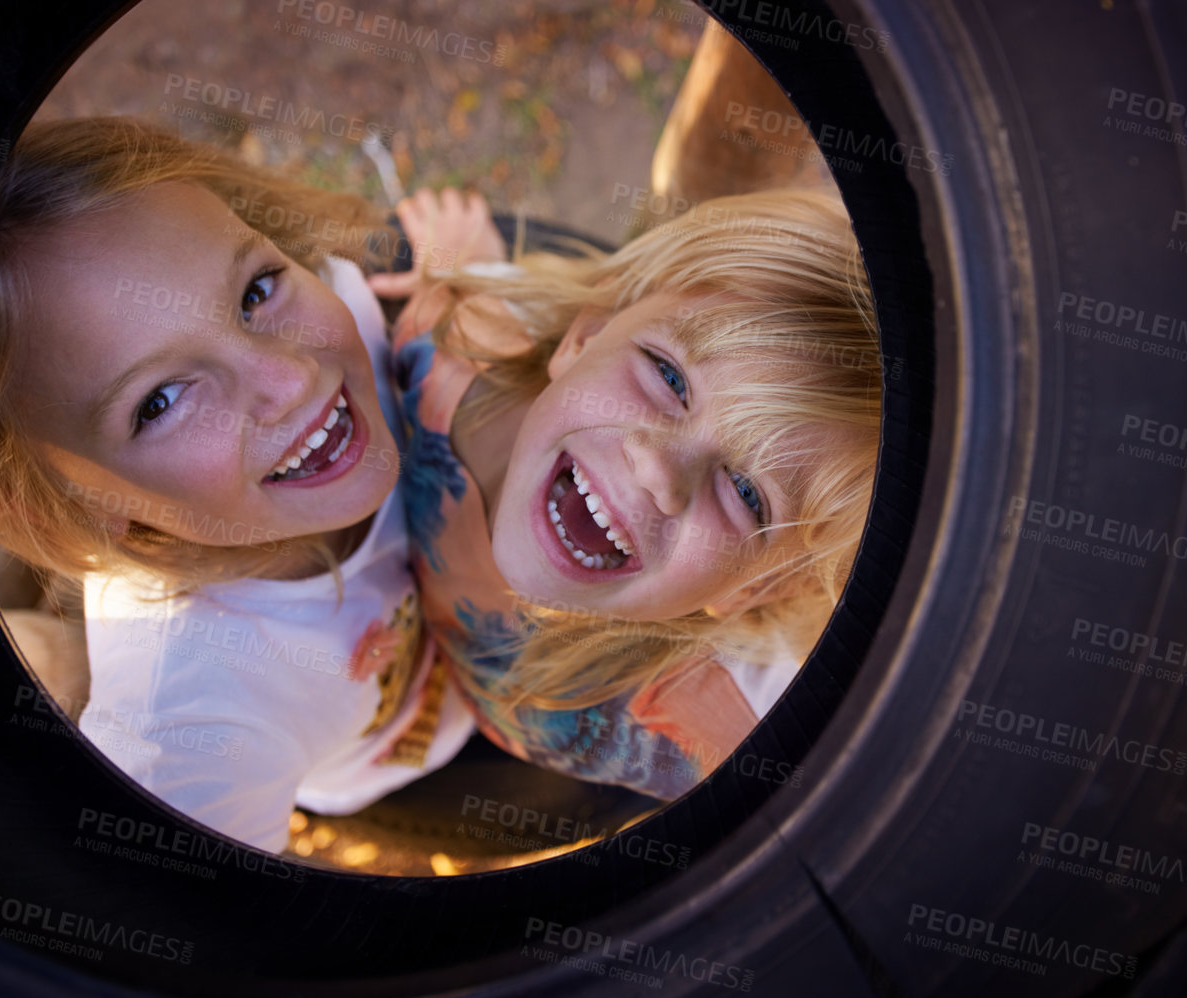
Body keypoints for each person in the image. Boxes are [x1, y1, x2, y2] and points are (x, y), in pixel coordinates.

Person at [0, 117, 476, 853]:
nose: (291, 377)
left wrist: (461, 288)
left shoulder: (346, 304)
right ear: (79, 501)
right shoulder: (186, 727)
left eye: (257, 289)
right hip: (406, 768)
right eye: (161, 400)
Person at [367, 184, 881, 797]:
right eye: (669, 376)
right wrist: (462, 267)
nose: (657, 470)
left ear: (756, 585)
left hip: (504, 774)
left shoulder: (740, 732)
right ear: (586, 336)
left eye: (747, 493)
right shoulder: (448, 360)